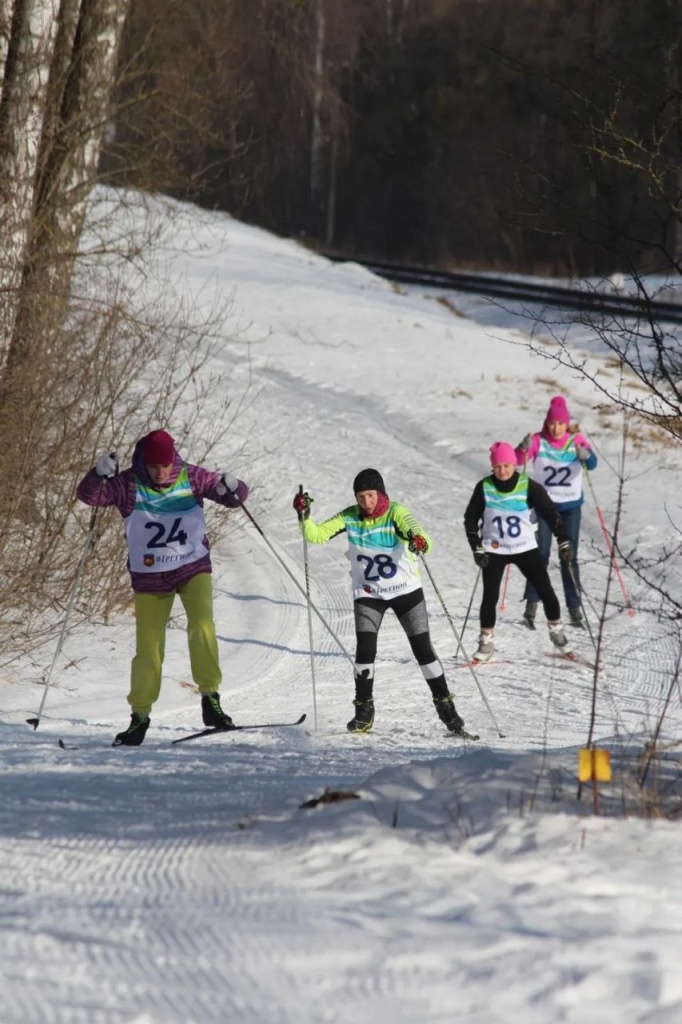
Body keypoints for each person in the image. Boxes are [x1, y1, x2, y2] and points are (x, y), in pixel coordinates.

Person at [77, 429, 249, 746]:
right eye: (155, 466)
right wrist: (96, 475)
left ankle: (211, 700)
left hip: (192, 567)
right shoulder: (129, 484)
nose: (161, 472)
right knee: (149, 649)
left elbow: (233, 499)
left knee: (202, 627)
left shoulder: (192, 476)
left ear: (174, 459)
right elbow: (90, 497)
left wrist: (234, 486)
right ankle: (139, 717)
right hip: (151, 577)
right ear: (145, 462)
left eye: (166, 465)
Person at [292, 468, 468, 736]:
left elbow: (419, 533)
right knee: (365, 649)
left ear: (381, 493)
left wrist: (420, 541)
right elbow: (315, 535)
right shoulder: (350, 516)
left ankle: (447, 710)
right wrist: (304, 516)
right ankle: (363, 712)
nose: (366, 502)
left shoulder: (396, 512)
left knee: (423, 649)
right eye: (361, 496)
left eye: (371, 495)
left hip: (405, 590)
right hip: (369, 593)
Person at [463, 441, 573, 663]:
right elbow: (470, 518)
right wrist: (476, 546)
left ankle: (557, 631)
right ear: (492, 468)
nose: (502, 471)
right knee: (489, 596)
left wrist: (563, 540)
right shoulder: (484, 487)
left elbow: (551, 513)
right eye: (498, 467)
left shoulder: (528, 485)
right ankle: (486, 641)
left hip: (524, 548)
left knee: (546, 590)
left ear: (514, 465)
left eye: (507, 466)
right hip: (494, 550)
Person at [515, 395, 598, 628]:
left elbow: (592, 464)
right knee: (539, 555)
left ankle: (574, 609)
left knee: (568, 557)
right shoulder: (538, 440)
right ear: (547, 423)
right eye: (552, 423)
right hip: (544, 508)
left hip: (571, 507)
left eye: (560, 423)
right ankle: (531, 606)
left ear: (566, 423)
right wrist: (521, 449)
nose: (556, 428)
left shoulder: (576, 439)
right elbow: (516, 460)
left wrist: (586, 456)